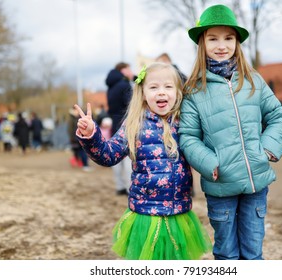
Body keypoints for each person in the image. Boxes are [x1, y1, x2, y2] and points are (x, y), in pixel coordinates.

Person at [178, 4, 282, 260]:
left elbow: (278, 116)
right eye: (213, 38)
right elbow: (188, 136)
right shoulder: (194, 90)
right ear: (202, 43)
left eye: (228, 38)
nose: (222, 45)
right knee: (227, 255)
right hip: (221, 185)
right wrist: (210, 162)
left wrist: (268, 148)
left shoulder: (253, 80)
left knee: (252, 253)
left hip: (256, 183)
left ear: (237, 42)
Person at [74, 62, 212, 260]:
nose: (161, 93)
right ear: (143, 92)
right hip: (146, 214)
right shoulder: (134, 124)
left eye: (168, 87)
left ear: (178, 91)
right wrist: (91, 135)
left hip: (179, 213)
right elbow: (108, 155)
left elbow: (203, 149)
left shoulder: (185, 121)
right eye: (154, 87)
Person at [105, 62, 134, 195]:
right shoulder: (124, 85)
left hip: (114, 123)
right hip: (125, 124)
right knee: (128, 156)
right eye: (128, 68)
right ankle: (129, 187)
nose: (131, 71)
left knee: (115, 154)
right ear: (122, 70)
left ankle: (119, 185)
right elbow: (131, 105)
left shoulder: (111, 87)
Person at [68, 107, 91, 171]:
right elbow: (70, 130)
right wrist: (72, 138)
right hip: (76, 139)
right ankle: (85, 165)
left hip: (78, 138)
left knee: (78, 152)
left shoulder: (76, 117)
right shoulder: (72, 119)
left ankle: (82, 163)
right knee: (81, 152)